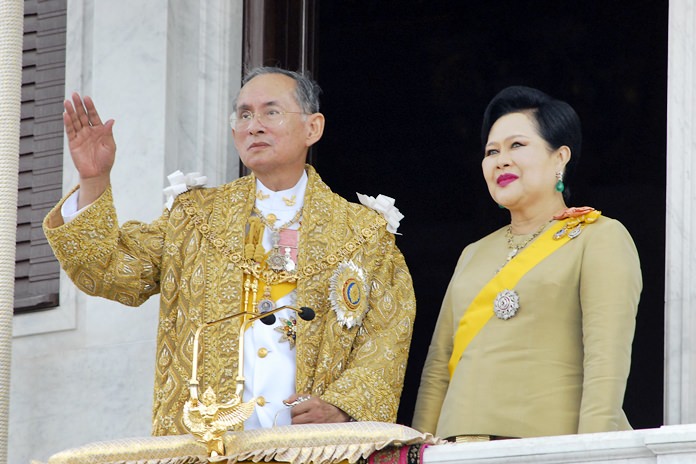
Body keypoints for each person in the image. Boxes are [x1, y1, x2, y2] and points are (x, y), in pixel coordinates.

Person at [43, 67, 416, 436]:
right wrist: (93, 180)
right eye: (244, 114)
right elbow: (108, 271)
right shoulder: (194, 217)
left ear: (312, 128)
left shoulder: (363, 233)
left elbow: (387, 334)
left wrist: (342, 407)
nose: (254, 125)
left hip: (314, 448)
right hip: (208, 448)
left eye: (271, 112)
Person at [411, 86, 642, 441]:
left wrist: (595, 451)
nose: (501, 160)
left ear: (560, 157)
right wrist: (419, 447)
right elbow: (438, 368)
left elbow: (605, 367)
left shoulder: (599, 237)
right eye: (492, 151)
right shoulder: (473, 252)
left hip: (548, 447)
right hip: (458, 449)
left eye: (517, 145)